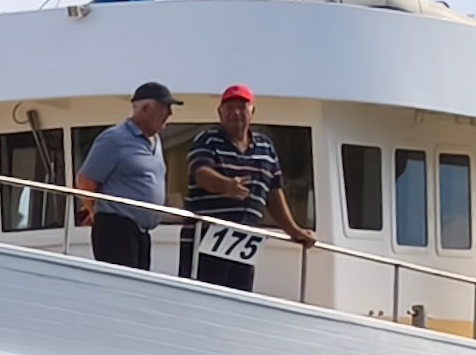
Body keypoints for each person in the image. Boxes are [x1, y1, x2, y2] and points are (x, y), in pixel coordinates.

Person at [179, 84, 315, 291]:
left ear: (252, 112)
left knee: (239, 299)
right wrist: (226, 185)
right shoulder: (207, 140)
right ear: (220, 113)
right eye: (229, 108)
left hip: (243, 243)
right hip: (204, 240)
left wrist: (293, 229)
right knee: (201, 298)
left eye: (242, 107)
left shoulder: (265, 147)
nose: (236, 113)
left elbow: (273, 192)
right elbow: (201, 173)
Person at [74, 83, 179, 271]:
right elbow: (86, 181)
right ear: (146, 108)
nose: (170, 113)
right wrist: (93, 212)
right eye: (165, 107)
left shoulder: (155, 142)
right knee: (120, 285)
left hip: (141, 232)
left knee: (137, 286)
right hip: (116, 229)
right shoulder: (114, 139)